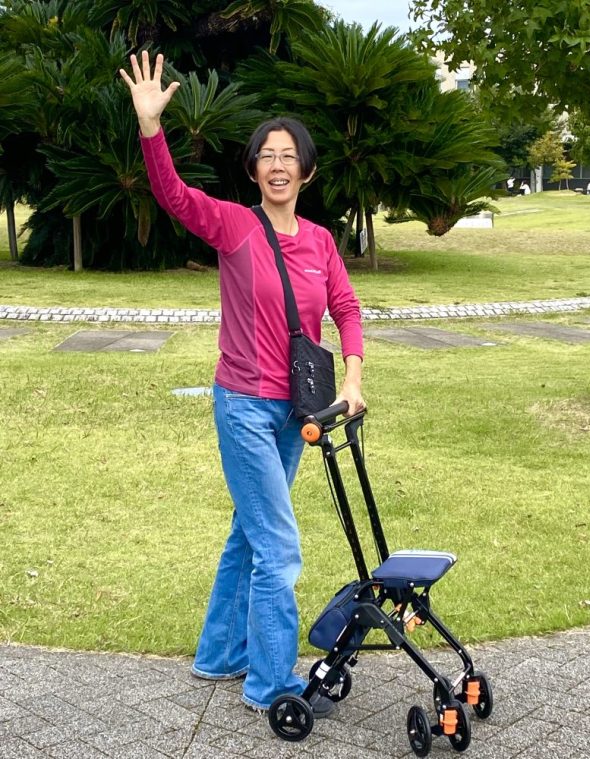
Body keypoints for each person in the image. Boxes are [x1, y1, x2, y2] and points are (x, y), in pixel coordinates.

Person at [120, 51, 365, 716]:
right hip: (244, 407)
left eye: (289, 156)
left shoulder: (320, 241)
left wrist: (353, 377)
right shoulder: (233, 225)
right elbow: (174, 195)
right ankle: (270, 683)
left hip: (297, 409)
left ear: (306, 170)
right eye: (267, 156)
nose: (278, 165)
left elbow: (346, 308)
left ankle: (220, 652)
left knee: (249, 533)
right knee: (278, 547)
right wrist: (151, 127)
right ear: (254, 169)